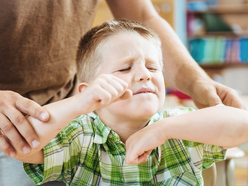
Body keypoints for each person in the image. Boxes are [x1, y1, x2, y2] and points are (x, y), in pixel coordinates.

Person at [0, 1, 245, 186]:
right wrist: (79, 104)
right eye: (125, 68)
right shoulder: (80, 137)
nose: (144, 74)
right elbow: (25, 145)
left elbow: (242, 124)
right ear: (90, 93)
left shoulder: (179, 127)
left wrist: (162, 129)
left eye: (152, 67)